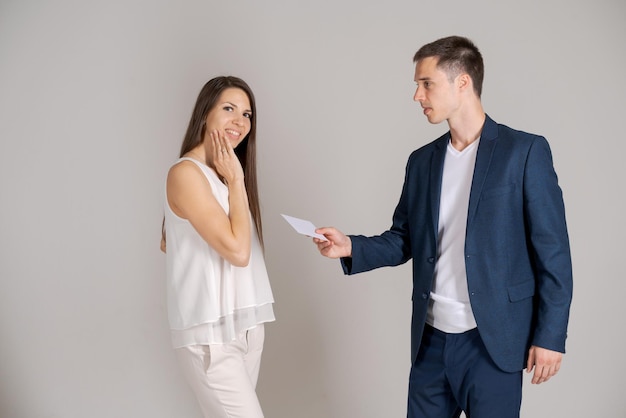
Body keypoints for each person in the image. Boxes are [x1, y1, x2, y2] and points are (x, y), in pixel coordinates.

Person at [313, 36, 572, 418]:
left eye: (426, 83)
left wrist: (550, 336)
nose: (417, 95)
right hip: (430, 343)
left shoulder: (524, 152)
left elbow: (553, 252)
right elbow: (404, 239)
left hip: (493, 343)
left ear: (462, 82)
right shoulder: (422, 162)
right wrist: (349, 246)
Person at [161, 76, 275, 418]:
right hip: (211, 335)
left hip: (247, 325)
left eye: (247, 114)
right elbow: (239, 253)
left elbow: (173, 242)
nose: (240, 121)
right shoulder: (186, 173)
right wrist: (237, 179)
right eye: (228, 109)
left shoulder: (225, 173)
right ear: (205, 113)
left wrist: (234, 179)